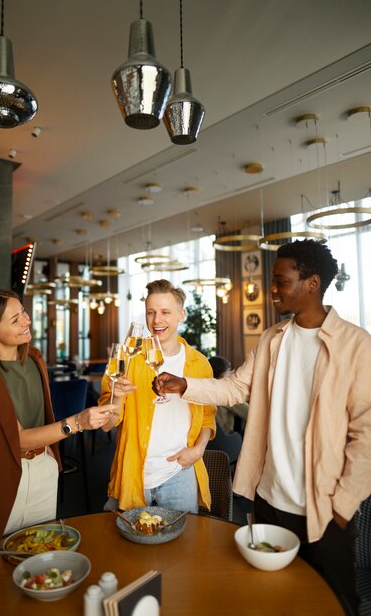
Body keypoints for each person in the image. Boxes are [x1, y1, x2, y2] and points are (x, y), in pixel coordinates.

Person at [153, 240, 371, 616]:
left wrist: (343, 504)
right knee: (273, 598)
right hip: (270, 499)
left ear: (312, 283)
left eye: (280, 281)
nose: (271, 289)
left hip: (324, 507)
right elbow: (236, 386)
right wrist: (185, 384)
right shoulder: (272, 338)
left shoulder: (356, 345)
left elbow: (366, 434)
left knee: (336, 601)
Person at [0, 289, 116, 553]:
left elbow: (42, 418)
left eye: (24, 312)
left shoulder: (34, 358)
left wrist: (50, 461)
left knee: (41, 553)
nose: (27, 321)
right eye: (15, 320)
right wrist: (77, 423)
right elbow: (11, 440)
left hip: (43, 469)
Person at [99, 279, 216, 513]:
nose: (156, 320)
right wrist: (118, 397)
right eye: (151, 312)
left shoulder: (200, 364)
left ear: (181, 315)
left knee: (183, 544)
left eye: (165, 312)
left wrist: (199, 449)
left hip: (180, 473)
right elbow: (106, 425)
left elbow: (207, 418)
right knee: (127, 545)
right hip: (134, 470)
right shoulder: (126, 358)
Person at [208, 356, 248, 435]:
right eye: (229, 372)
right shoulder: (226, 392)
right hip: (225, 439)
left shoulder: (204, 387)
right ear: (223, 375)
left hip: (208, 437)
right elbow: (249, 412)